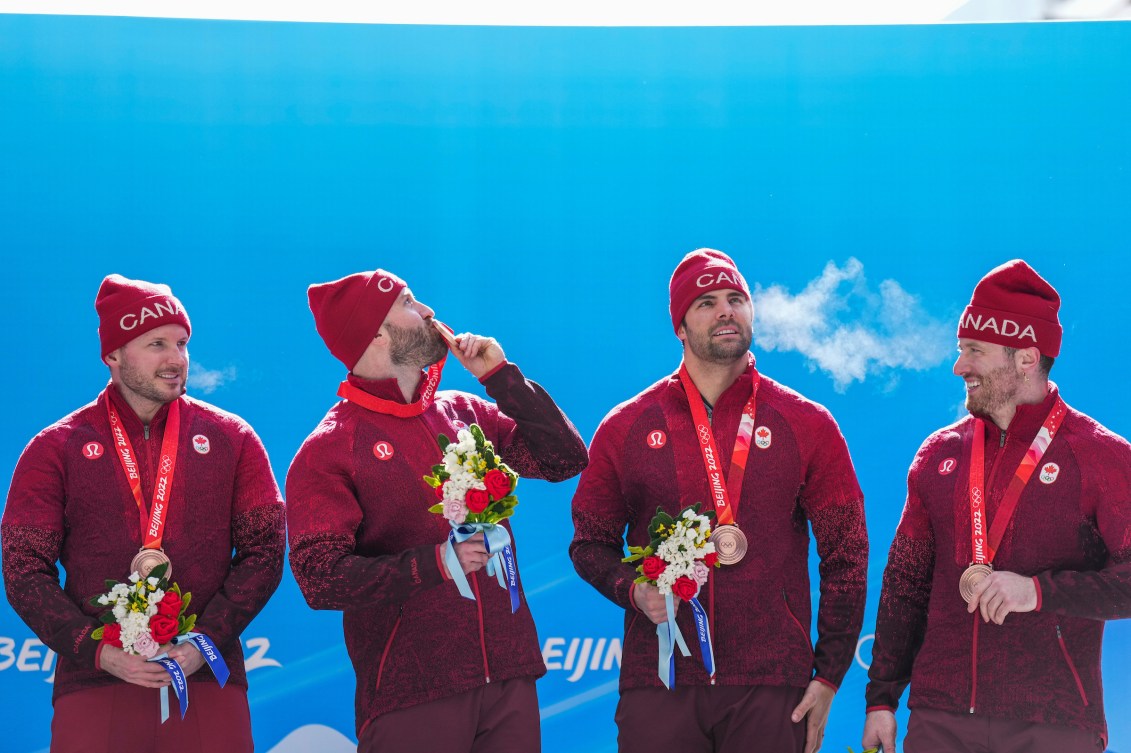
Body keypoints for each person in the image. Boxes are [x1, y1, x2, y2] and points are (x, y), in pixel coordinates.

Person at [570, 248, 869, 753]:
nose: (726, 311)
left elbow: (847, 555)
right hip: (660, 678)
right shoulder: (627, 426)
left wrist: (830, 675)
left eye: (736, 299)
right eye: (706, 302)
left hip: (772, 684)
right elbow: (589, 543)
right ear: (680, 327)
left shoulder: (807, 423)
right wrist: (633, 591)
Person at [286, 268, 588, 753]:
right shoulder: (331, 448)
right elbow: (319, 578)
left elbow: (563, 460)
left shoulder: (464, 411)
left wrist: (500, 377)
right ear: (378, 333)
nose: (428, 311)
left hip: (510, 675)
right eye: (408, 302)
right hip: (413, 693)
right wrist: (436, 564)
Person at [2, 274, 286, 753]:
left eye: (181, 343)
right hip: (94, 685)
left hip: (207, 683)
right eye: (156, 344)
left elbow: (265, 551)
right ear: (113, 355)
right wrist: (95, 651)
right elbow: (22, 566)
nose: (176, 359)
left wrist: (205, 642)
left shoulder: (231, 438)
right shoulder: (56, 447)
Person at [863, 259, 1131, 753]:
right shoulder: (937, 455)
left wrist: (1038, 592)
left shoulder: (1102, 458)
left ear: (1026, 357)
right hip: (939, 718)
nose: (959, 366)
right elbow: (905, 584)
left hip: (1052, 723)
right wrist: (881, 699)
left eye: (974, 351)